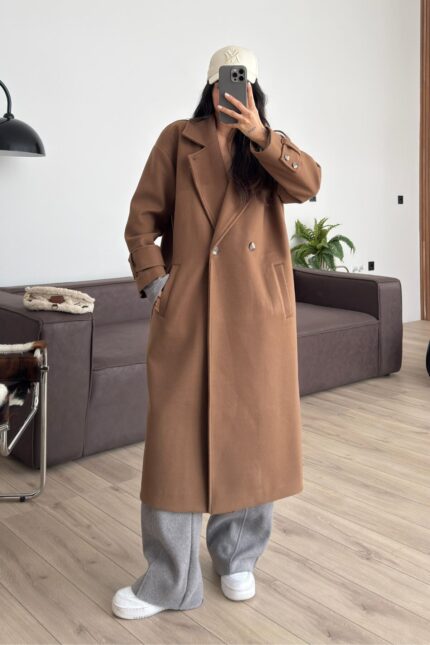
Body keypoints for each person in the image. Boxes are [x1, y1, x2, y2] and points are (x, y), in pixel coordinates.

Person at [113, 45, 322, 620]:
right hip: (191, 312)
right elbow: (141, 223)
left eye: (245, 83)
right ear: (210, 87)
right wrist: (159, 285)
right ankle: (170, 581)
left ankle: (236, 557)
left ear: (256, 90)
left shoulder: (270, 147)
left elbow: (309, 185)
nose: (234, 93)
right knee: (175, 445)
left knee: (253, 437)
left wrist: (261, 135)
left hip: (257, 314)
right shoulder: (177, 140)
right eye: (226, 83)